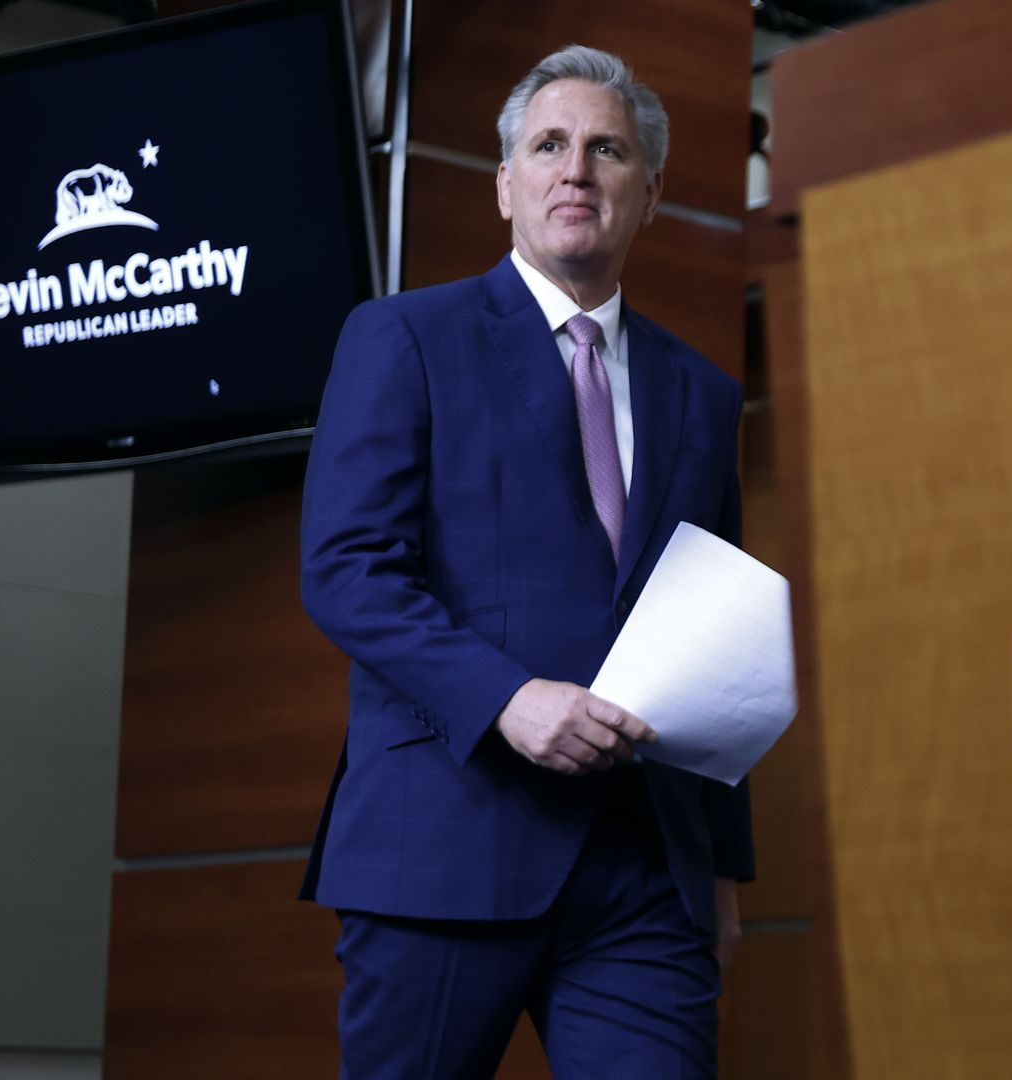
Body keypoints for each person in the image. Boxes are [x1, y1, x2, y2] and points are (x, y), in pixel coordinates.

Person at [299, 43, 753, 1078]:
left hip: (645, 873)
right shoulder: (403, 338)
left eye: (607, 150)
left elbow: (716, 634)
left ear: (650, 193)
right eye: (549, 146)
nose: (576, 170)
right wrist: (507, 699)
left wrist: (722, 866)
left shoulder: (703, 394)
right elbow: (347, 568)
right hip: (444, 846)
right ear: (506, 185)